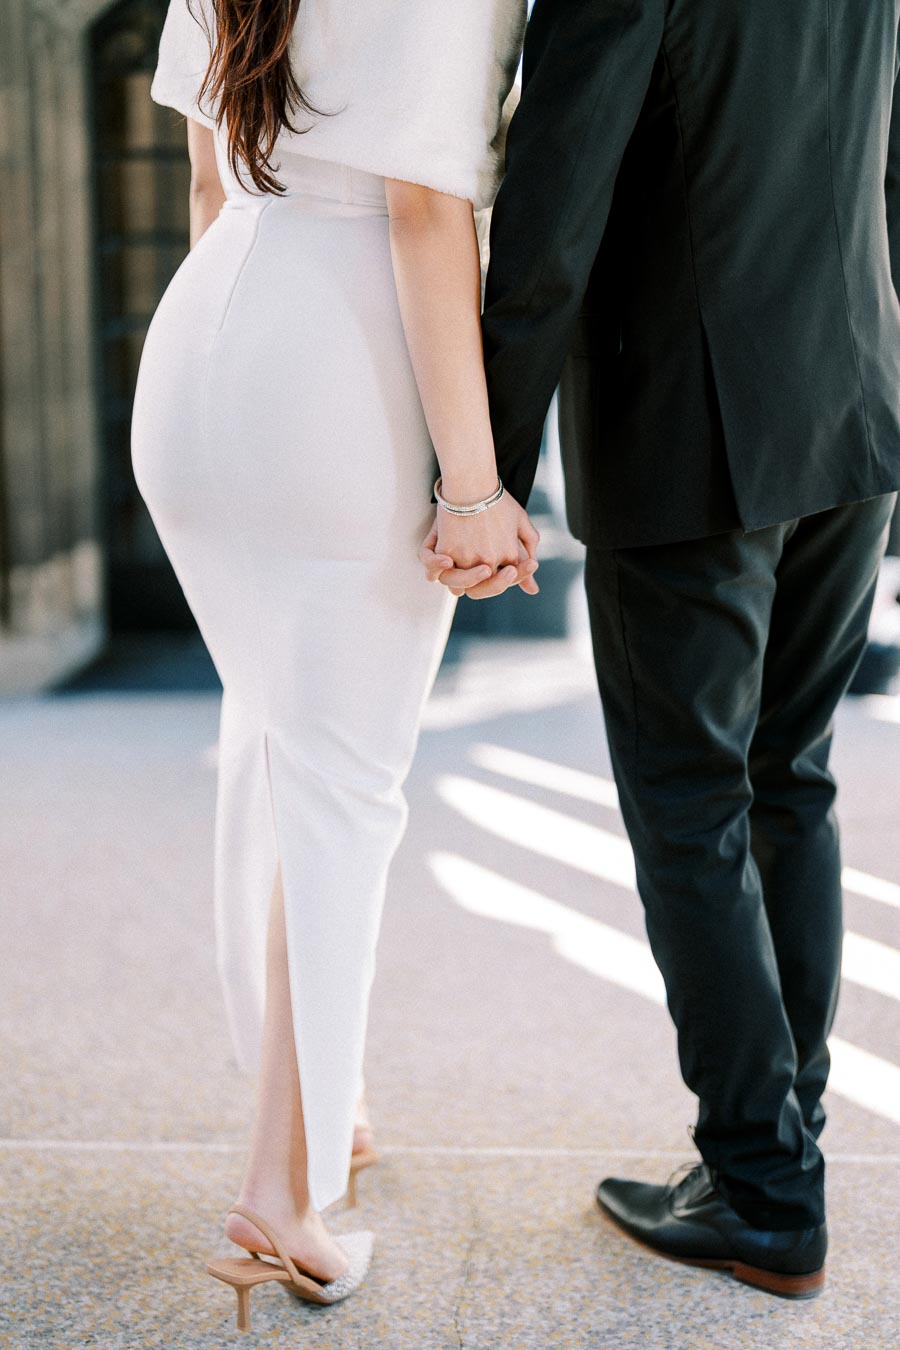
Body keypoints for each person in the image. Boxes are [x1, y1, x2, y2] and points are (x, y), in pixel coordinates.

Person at [452, 0, 900, 1302]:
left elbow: (552, 198)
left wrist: (485, 467)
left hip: (692, 429)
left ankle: (764, 1184)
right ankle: (781, 1145)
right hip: (852, 396)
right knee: (785, 777)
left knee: (695, 800)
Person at [131, 0, 537, 1330]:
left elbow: (205, 163)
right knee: (344, 783)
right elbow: (426, 211)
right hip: (345, 348)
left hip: (204, 340)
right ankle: (283, 1191)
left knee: (277, 739)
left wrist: (246, 380)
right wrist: (473, 486)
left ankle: (313, 1104)